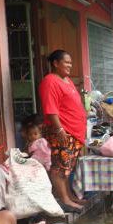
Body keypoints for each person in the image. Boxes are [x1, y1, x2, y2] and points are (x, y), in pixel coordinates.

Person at [39, 49, 87, 213]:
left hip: (74, 132)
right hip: (62, 131)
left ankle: (69, 196)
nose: (69, 65)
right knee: (60, 167)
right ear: (55, 63)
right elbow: (50, 108)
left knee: (67, 167)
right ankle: (63, 200)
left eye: (70, 63)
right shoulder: (50, 81)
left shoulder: (66, 80)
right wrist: (59, 128)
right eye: (66, 62)